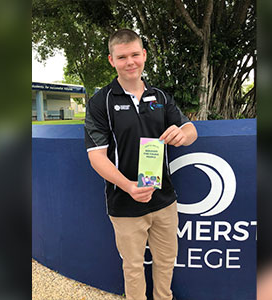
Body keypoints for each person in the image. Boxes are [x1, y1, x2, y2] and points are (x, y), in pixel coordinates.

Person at [84, 29, 197, 300]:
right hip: (124, 202)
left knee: (166, 262)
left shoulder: (160, 96)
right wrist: (128, 186)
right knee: (133, 268)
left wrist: (184, 135)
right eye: (122, 57)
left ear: (144, 55)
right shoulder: (101, 102)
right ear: (111, 60)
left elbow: (190, 129)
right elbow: (96, 156)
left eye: (135, 54)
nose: (130, 62)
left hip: (164, 200)